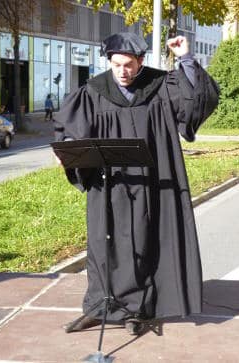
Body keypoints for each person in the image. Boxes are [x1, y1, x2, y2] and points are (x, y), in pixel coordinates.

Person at [54, 32, 219, 335]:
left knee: (147, 240)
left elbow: (195, 102)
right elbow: (69, 128)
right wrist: (68, 150)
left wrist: (185, 58)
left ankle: (140, 309)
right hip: (109, 183)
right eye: (116, 65)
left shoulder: (161, 86)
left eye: (128, 65)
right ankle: (99, 306)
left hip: (153, 180)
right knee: (103, 243)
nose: (122, 72)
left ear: (141, 61)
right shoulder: (94, 91)